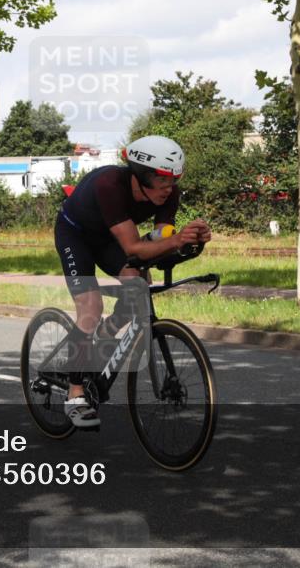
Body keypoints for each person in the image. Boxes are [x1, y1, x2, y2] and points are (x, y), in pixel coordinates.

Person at [54, 135, 211, 428]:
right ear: (140, 174)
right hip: (76, 235)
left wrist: (188, 244)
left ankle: (104, 333)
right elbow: (134, 248)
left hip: (110, 237)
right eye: (162, 178)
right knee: (90, 307)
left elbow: (158, 241)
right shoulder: (110, 185)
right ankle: (75, 393)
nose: (169, 186)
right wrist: (175, 240)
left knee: (138, 285)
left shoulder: (169, 194)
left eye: (174, 178)